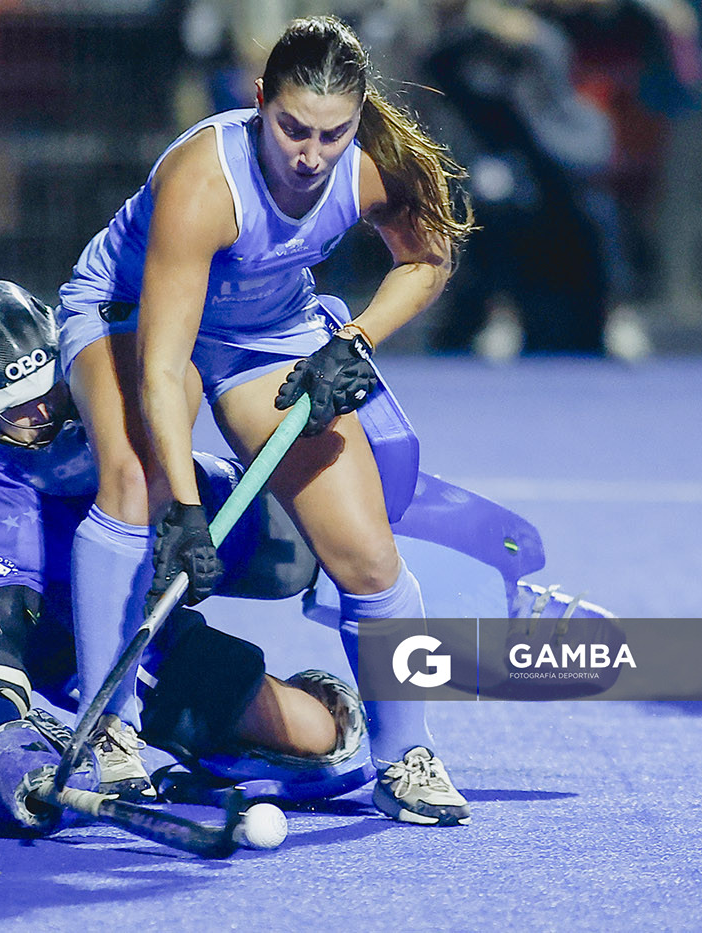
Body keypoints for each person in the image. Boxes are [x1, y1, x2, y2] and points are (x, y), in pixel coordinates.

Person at [55, 15, 476, 825]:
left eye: (331, 133)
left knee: (367, 553)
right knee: (134, 486)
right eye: (291, 129)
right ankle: (111, 732)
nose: (310, 155)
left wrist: (354, 341)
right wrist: (182, 508)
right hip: (130, 316)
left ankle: (405, 756)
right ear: (258, 104)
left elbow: (428, 258)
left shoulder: (369, 165)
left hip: (268, 332)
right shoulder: (203, 184)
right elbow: (163, 364)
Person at [0, 279, 376, 813]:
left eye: (48, 388)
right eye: (17, 407)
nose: (44, 410)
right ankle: (179, 737)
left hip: (215, 515)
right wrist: (2, 741)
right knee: (320, 738)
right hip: (111, 604)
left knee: (347, 560)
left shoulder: (98, 364)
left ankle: (466, 679)